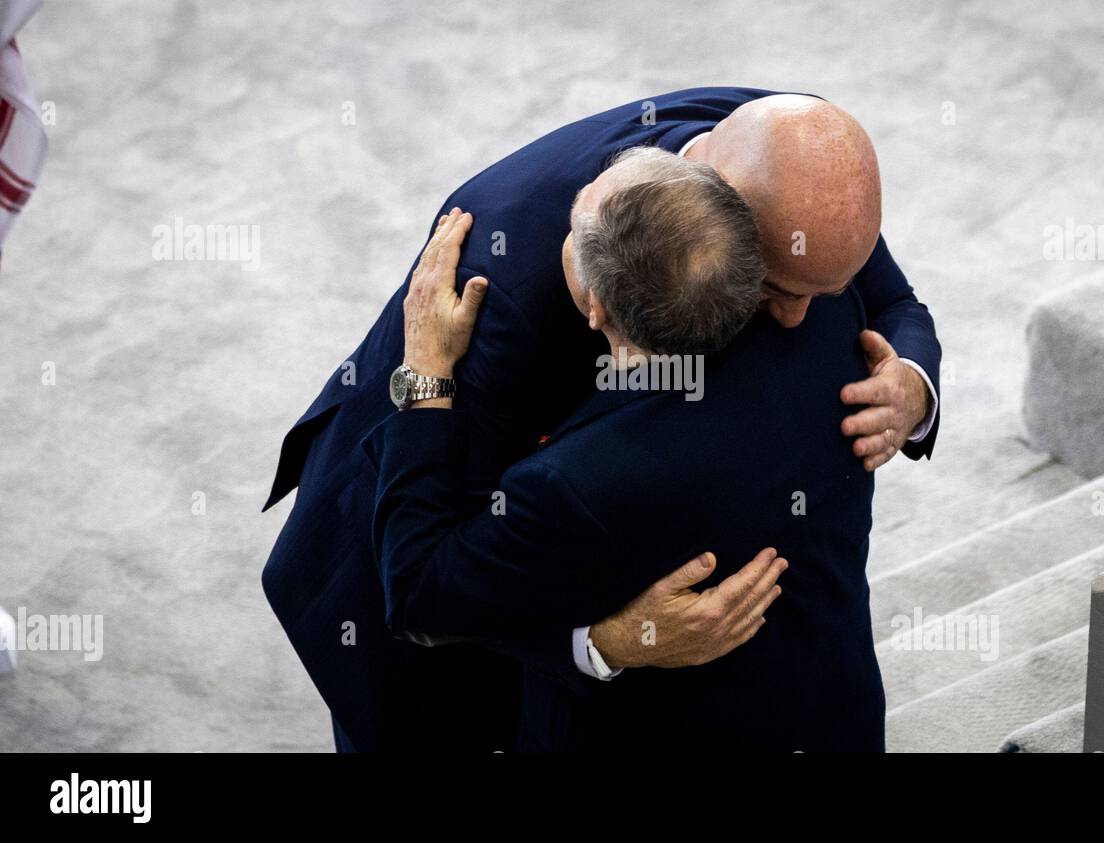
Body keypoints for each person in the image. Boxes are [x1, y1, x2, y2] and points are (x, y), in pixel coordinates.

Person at [263, 87, 941, 751]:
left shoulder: (792, 160)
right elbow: (432, 574)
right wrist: (604, 641)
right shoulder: (504, 310)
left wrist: (911, 382)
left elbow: (885, 299)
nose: (806, 317)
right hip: (389, 548)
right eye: (780, 289)